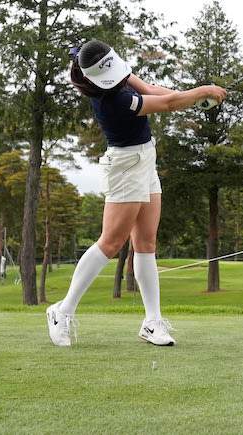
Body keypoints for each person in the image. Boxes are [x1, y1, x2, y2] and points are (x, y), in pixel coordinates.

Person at [45, 39, 226, 347]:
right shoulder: (113, 100)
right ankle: (62, 311)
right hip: (125, 167)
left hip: (145, 159)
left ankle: (152, 322)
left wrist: (193, 97)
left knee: (146, 242)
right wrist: (203, 92)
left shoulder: (108, 71)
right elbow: (166, 105)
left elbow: (154, 91)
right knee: (111, 242)